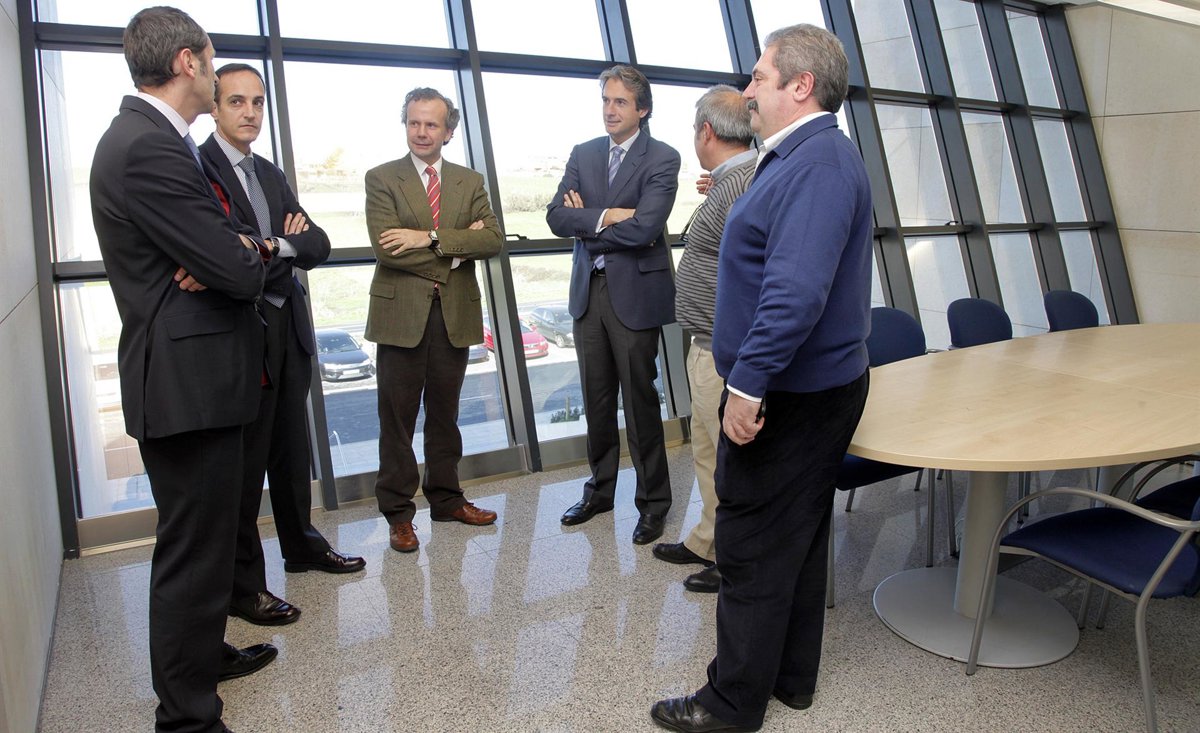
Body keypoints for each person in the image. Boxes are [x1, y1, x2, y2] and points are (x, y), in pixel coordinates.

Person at [651, 24, 874, 733]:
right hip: (809, 384)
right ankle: (790, 679)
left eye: (759, 76)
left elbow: (795, 293)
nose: (747, 90)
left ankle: (731, 703)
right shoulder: (803, 156)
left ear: (800, 86)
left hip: (788, 392)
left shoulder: (818, 164)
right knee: (796, 538)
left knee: (748, 545)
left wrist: (746, 388)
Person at [90, 7, 277, 732]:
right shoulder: (147, 146)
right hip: (186, 384)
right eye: (212, 58)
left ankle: (206, 659)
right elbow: (238, 264)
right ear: (187, 63)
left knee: (204, 543)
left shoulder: (156, 139)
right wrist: (239, 253)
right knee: (193, 556)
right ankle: (187, 717)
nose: (214, 69)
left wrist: (230, 252)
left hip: (195, 379)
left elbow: (225, 251)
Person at [199, 63, 365, 628]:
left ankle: (302, 546)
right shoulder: (201, 167)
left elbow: (316, 243)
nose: (249, 113)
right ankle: (245, 586)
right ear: (214, 107)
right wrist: (277, 247)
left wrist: (270, 246)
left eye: (257, 102)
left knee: (292, 452)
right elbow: (227, 260)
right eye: (236, 101)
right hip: (241, 333)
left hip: (287, 330)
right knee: (245, 467)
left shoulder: (267, 172)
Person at [364, 87, 504, 553]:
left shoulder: (469, 180)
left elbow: (493, 240)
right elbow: (389, 249)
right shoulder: (382, 178)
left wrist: (426, 236)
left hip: (454, 315)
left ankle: (446, 500)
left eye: (431, 124)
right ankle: (398, 514)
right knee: (397, 420)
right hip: (400, 316)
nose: (421, 132)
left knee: (445, 415)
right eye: (414, 122)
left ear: (448, 131)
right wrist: (458, 248)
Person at [546, 65, 680, 545]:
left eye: (620, 101)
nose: (609, 109)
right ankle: (599, 492)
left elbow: (645, 228)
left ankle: (653, 504)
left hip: (635, 296)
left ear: (642, 109)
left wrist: (588, 222)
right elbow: (556, 217)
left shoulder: (662, 157)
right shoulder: (583, 153)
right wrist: (606, 215)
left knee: (640, 403)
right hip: (589, 294)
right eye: (605, 100)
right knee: (596, 401)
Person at [651, 85, 756, 594]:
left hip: (724, 349)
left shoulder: (740, 185)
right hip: (707, 342)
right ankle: (707, 540)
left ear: (706, 132)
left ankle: (733, 560)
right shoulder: (731, 181)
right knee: (706, 450)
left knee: (728, 462)